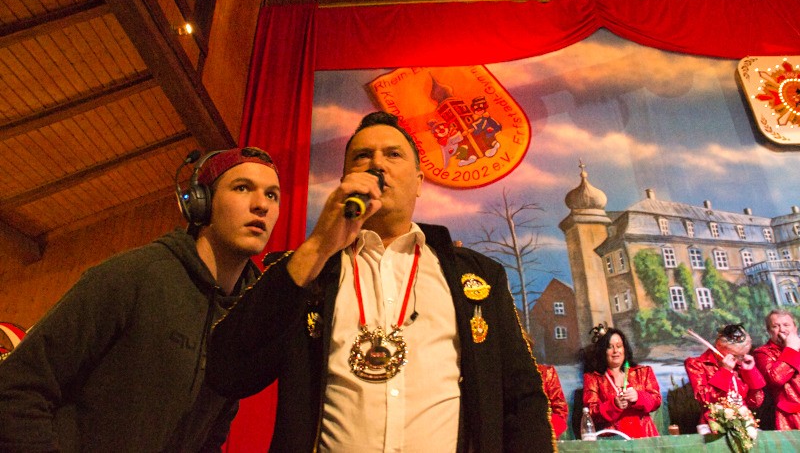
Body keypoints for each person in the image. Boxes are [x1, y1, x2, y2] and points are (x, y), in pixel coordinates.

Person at [206, 111, 555, 452]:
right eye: (362, 157)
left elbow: (522, 398)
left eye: (393, 154)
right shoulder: (308, 270)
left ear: (419, 182)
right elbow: (227, 371)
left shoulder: (479, 276)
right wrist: (317, 247)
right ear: (344, 181)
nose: (377, 164)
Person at [0, 147, 280, 451]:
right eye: (242, 188)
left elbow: (209, 440)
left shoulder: (244, 319)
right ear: (202, 203)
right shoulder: (132, 276)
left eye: (272, 195)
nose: (261, 205)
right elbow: (17, 387)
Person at [582, 326, 661, 438]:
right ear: (603, 351)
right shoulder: (593, 379)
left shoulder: (643, 372)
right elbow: (590, 412)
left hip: (645, 437)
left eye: (619, 346)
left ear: (624, 349)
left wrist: (638, 397)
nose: (615, 351)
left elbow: (656, 401)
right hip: (614, 440)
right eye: (609, 347)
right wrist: (613, 405)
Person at [685, 324, 766, 425]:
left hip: (743, 422)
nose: (739, 359)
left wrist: (750, 372)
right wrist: (724, 371)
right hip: (713, 424)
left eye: (743, 355)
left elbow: (756, 401)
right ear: (719, 348)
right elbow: (704, 399)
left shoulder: (741, 364)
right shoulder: (697, 364)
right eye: (735, 355)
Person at [753, 310, 800, 429]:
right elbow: (776, 379)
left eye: (786, 325)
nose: (782, 330)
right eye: (775, 326)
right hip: (788, 418)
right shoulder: (762, 353)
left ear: (795, 328)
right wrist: (791, 349)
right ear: (769, 331)